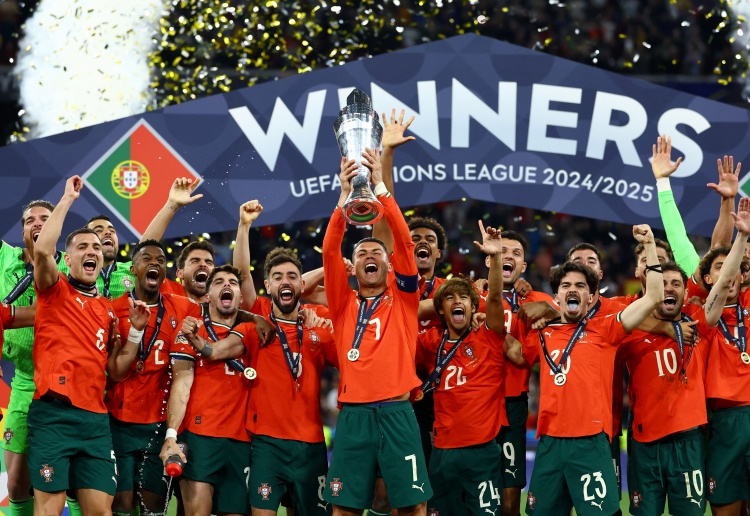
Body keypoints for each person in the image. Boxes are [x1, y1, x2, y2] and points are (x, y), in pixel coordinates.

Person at [506, 224, 664, 515]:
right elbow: (512, 350)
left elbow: (653, 296)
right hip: (550, 443)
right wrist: (485, 310)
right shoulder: (542, 333)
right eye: (566, 285)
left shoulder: (607, 329)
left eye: (580, 286)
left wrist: (651, 246)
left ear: (591, 297)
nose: (573, 289)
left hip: (591, 443)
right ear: (556, 297)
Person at [28, 175, 149, 515]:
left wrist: (136, 333)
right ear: (67, 259)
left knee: (100, 511)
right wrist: (67, 199)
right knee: (49, 509)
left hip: (95, 422)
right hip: (53, 415)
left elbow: (116, 371)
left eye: (96, 247)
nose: (91, 251)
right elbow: (42, 250)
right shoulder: (53, 291)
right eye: (82, 247)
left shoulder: (108, 311)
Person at [322, 147, 431, 515]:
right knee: (344, 507)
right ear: (352, 268)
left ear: (389, 265)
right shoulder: (342, 303)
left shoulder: (404, 298)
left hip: (398, 413)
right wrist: (342, 198)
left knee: (412, 506)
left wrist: (382, 189)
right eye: (362, 253)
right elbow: (329, 251)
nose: (370, 255)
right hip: (354, 417)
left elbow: (405, 242)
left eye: (377, 253)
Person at [416, 221, 507, 514]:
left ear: (473, 307)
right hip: (441, 453)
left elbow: (495, 297)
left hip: (481, 452)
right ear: (441, 310)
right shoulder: (430, 341)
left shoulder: (489, 337)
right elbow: (399, 324)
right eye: (450, 298)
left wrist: (495, 257)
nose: (458, 302)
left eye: (464, 298)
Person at [106, 239, 202, 516]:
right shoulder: (112, 310)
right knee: (121, 504)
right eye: (147, 259)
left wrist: (254, 318)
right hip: (119, 421)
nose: (155, 264)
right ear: (133, 269)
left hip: (159, 423)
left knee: (153, 506)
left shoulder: (183, 308)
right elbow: (113, 372)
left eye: (160, 261)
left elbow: (216, 311)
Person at [159, 265, 259, 516]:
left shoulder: (252, 333)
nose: (227, 285)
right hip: (199, 438)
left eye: (233, 282)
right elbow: (181, 384)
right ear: (207, 296)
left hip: (241, 442)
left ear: (241, 297)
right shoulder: (191, 330)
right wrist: (171, 436)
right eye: (219, 282)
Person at [0, 198, 69, 516]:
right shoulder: (5, 258)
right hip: (24, 381)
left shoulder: (74, 264)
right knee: (16, 484)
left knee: (72, 482)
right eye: (31, 220)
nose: (38, 223)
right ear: (23, 231)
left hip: (67, 384)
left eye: (46, 218)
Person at [491, 230, 554, 516]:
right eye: (502, 251)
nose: (509, 256)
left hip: (513, 402)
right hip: (470, 403)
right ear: (490, 258)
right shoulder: (470, 295)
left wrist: (548, 308)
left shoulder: (536, 300)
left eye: (516, 253)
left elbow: (574, 314)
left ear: (523, 266)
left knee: (509, 502)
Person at [698, 197, 750, 516]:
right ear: (707, 279)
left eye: (734, 270)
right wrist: (739, 235)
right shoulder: (701, 314)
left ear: (743, 277)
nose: (728, 275)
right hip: (724, 421)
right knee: (725, 507)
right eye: (719, 269)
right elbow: (719, 250)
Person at [651, 134, 739, 302]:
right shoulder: (693, 273)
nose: (724, 272)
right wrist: (662, 182)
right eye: (718, 267)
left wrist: (729, 200)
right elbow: (675, 231)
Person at [86, 176, 204, 300]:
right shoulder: (74, 271)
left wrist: (172, 205)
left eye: (112, 231)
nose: (108, 233)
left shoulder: (132, 270)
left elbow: (145, 247)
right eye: (98, 230)